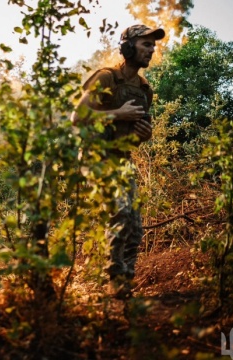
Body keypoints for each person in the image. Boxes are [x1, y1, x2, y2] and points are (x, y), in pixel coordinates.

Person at [71, 24, 165, 298]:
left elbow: (133, 135)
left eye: (153, 45)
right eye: (145, 44)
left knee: (135, 226)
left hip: (121, 158)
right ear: (127, 47)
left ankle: (124, 285)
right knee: (121, 212)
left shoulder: (145, 90)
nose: (151, 49)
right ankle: (113, 277)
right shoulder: (106, 78)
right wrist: (117, 113)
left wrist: (143, 135)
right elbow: (77, 118)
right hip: (95, 157)